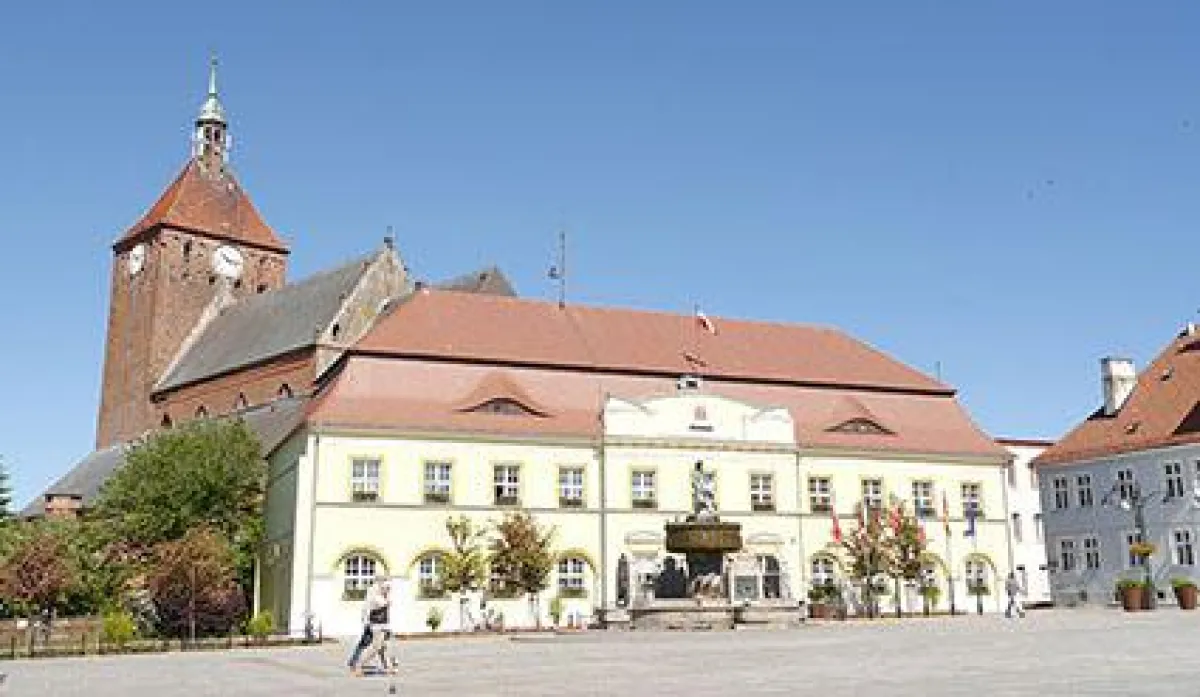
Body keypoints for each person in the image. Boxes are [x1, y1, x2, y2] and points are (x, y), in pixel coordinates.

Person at [348, 576, 397, 676]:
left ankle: (388, 668)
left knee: (383, 648)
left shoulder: (380, 596)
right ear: (381, 587)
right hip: (377, 626)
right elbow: (384, 604)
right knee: (375, 648)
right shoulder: (376, 597)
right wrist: (386, 598)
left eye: (389, 588)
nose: (388, 590)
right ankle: (359, 666)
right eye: (386, 587)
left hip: (383, 625)